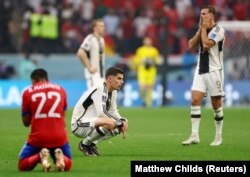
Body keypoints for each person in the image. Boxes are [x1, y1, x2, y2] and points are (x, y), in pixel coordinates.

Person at [182, 5, 225, 146]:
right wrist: (201, 29)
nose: (202, 16)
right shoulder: (203, 30)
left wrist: (204, 30)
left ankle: (218, 136)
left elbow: (206, 45)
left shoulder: (218, 30)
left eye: (204, 14)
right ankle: (194, 135)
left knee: (216, 105)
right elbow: (190, 45)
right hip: (200, 70)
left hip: (214, 71)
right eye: (201, 14)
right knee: (195, 100)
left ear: (212, 15)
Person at [18, 68, 72, 172]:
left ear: (33, 81)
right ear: (47, 78)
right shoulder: (61, 90)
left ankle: (39, 156)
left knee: (22, 165)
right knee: (68, 164)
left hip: (38, 138)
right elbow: (62, 116)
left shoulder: (27, 92)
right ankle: (61, 158)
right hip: (59, 137)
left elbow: (26, 123)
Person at [71, 67, 128, 156]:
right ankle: (84, 144)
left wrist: (122, 120)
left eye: (122, 79)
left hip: (92, 122)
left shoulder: (113, 92)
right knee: (111, 123)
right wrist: (118, 122)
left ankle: (92, 144)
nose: (122, 82)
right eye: (119, 78)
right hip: (79, 124)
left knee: (122, 122)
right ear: (110, 79)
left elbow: (113, 111)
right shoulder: (100, 88)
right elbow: (101, 113)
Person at [77, 19, 106, 89]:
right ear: (94, 28)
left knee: (100, 98)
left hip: (101, 75)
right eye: (101, 26)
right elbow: (80, 52)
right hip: (93, 75)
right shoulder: (90, 38)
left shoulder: (101, 40)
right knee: (94, 97)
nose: (103, 28)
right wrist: (89, 67)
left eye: (103, 26)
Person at [132, 36, 160, 107]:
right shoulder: (140, 50)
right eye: (146, 41)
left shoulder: (154, 50)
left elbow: (158, 61)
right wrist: (142, 60)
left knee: (150, 87)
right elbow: (135, 60)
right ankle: (144, 99)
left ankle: (148, 103)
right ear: (144, 42)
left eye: (149, 41)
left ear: (151, 42)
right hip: (142, 70)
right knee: (142, 86)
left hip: (151, 70)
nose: (148, 42)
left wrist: (152, 61)